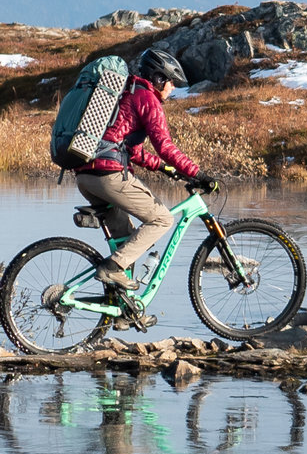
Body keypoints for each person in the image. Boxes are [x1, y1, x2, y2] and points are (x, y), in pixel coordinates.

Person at [76, 48, 215, 296]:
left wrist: (164, 168)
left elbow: (131, 149)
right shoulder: (147, 99)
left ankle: (120, 311)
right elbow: (165, 146)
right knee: (162, 219)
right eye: (170, 81)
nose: (172, 88)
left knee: (128, 241)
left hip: (86, 174)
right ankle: (111, 268)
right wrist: (198, 173)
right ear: (159, 78)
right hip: (108, 176)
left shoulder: (127, 94)